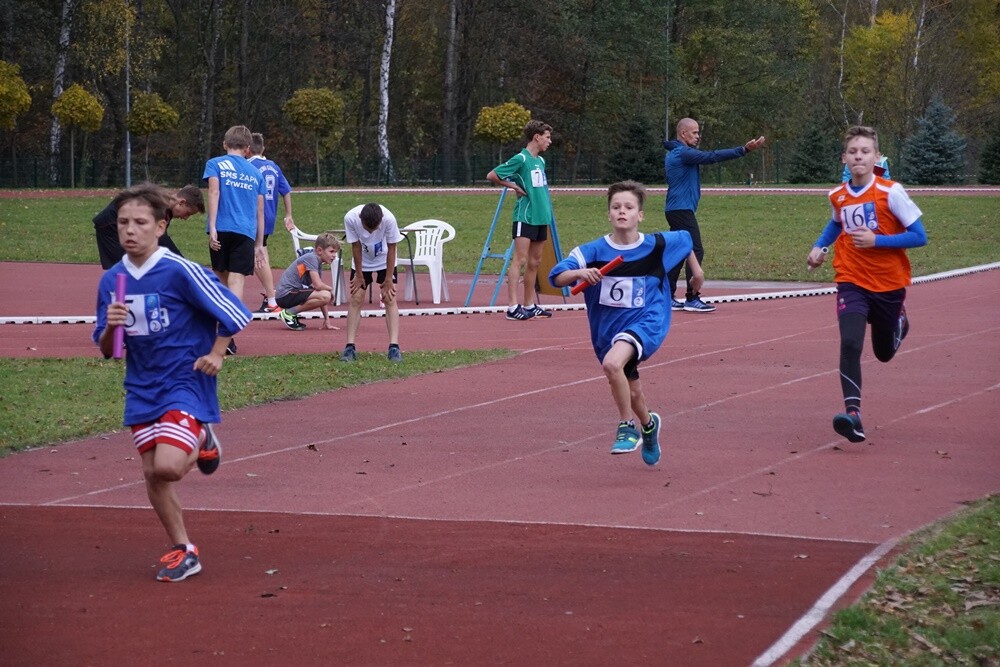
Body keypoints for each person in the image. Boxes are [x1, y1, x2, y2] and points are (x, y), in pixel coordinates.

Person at [93, 183, 252, 582]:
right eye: (123, 222)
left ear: (161, 226)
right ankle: (184, 550)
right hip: (141, 386)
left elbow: (235, 311)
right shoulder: (112, 281)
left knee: (168, 467)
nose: (130, 230)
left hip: (185, 379)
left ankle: (201, 436)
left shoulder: (180, 270)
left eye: (140, 222)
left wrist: (217, 353)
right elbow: (110, 351)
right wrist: (110, 328)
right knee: (152, 473)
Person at [549, 180, 704, 466]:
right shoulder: (591, 252)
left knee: (612, 364)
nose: (622, 211)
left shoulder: (656, 245)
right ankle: (649, 425)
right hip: (607, 329)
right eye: (616, 207)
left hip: (648, 320)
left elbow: (685, 240)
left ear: (640, 215)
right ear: (608, 214)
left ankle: (626, 426)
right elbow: (556, 277)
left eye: (629, 207)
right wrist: (580, 273)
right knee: (631, 390)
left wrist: (697, 272)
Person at [807, 126, 927, 443]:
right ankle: (853, 415)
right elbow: (836, 224)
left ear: (876, 157)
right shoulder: (837, 195)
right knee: (850, 343)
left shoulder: (891, 192)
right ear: (844, 158)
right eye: (853, 152)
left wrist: (878, 241)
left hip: (888, 283)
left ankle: (899, 322)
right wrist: (819, 248)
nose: (858, 157)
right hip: (851, 280)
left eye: (865, 151)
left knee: (883, 353)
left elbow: (919, 236)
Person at [663, 117, 765, 313]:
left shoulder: (678, 152)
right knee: (695, 250)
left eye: (698, 132)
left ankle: (666, 296)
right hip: (681, 210)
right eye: (694, 132)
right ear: (683, 133)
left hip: (676, 210)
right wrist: (744, 150)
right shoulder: (683, 153)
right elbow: (712, 156)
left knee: (679, 251)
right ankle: (692, 297)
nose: (698, 136)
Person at [202, 125, 267, 355]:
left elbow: (214, 193)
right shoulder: (256, 173)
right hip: (245, 231)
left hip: (221, 228)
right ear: (248, 148)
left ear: (224, 144)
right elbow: (260, 210)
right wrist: (259, 244)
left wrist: (212, 227)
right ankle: (227, 337)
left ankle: (220, 334)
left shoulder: (215, 164)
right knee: (236, 281)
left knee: (221, 280)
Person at [486, 119, 555, 321]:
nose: (549, 141)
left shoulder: (540, 161)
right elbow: (492, 175)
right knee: (520, 259)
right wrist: (513, 186)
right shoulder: (521, 159)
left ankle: (529, 304)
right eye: (547, 137)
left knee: (535, 262)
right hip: (525, 216)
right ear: (537, 137)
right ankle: (512, 307)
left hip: (541, 217)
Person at [339, 203, 404, 362]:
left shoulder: (389, 219)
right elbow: (355, 246)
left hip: (385, 259)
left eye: (374, 229)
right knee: (356, 298)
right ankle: (349, 347)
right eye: (367, 229)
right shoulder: (350, 218)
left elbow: (392, 248)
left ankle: (394, 347)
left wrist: (388, 278)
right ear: (360, 218)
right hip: (362, 261)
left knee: (389, 298)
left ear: (381, 220)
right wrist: (359, 275)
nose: (370, 233)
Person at [93, 185, 204, 269]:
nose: (186, 218)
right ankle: (119, 292)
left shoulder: (167, 210)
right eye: (188, 213)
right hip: (110, 225)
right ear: (181, 202)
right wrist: (183, 263)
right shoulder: (159, 205)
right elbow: (161, 238)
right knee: (121, 267)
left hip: (126, 226)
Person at [247, 132, 295, 313]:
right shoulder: (273, 166)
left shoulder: (248, 166)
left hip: (255, 215)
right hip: (269, 215)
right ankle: (271, 296)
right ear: (263, 148)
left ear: (247, 149)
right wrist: (288, 214)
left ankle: (272, 297)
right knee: (262, 251)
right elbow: (286, 191)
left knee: (255, 255)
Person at [274, 231, 340, 331]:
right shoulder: (311, 258)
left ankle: (290, 313)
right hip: (285, 294)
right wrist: (331, 289)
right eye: (331, 252)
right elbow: (318, 286)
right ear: (319, 250)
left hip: (290, 293)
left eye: (335, 252)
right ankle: (289, 313)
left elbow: (320, 290)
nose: (334, 255)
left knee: (325, 295)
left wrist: (327, 320)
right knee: (326, 295)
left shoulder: (317, 262)